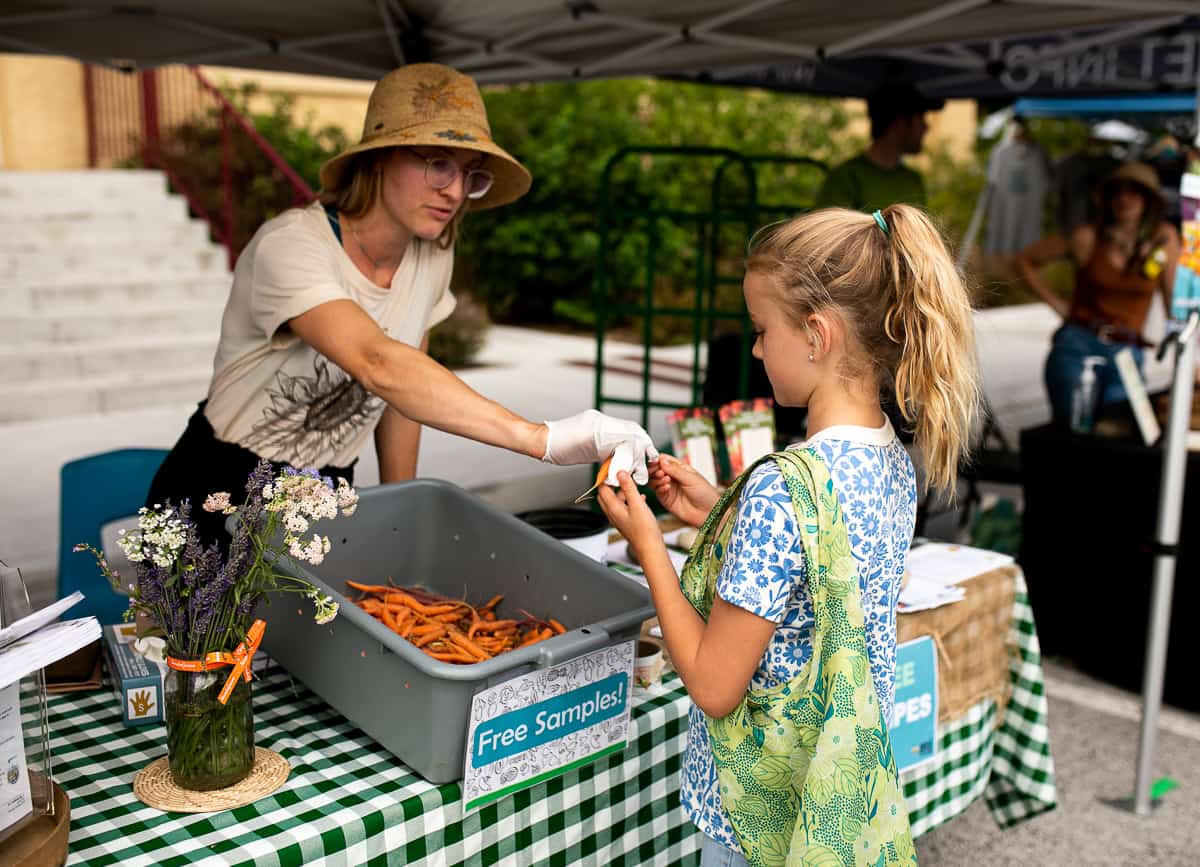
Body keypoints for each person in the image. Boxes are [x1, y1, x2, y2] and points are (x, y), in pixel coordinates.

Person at [599, 205, 980, 866]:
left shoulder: (784, 486)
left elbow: (715, 684)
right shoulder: (890, 457)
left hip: (757, 810)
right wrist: (721, 508)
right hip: (834, 794)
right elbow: (828, 563)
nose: (753, 349)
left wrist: (650, 544)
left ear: (816, 334)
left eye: (760, 329)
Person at [146, 63, 656, 545]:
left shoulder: (433, 253)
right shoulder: (291, 245)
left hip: (324, 492)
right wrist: (538, 438)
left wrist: (400, 510)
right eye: (438, 165)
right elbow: (378, 364)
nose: (455, 191)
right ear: (379, 157)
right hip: (220, 485)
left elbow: (405, 387)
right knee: (206, 640)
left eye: (470, 173)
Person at [1015, 161, 1181, 425]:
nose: (1124, 199)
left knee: (1123, 429)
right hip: (1078, 343)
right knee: (1074, 432)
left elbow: (1175, 299)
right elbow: (1024, 261)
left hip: (1128, 351)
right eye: (1117, 192)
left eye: (1133, 192)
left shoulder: (1164, 239)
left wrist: (1188, 354)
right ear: (1106, 198)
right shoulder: (1088, 236)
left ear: (1149, 200)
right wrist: (1059, 305)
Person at [814, 82, 945, 213]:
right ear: (899, 124)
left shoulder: (913, 181)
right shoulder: (846, 178)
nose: (926, 127)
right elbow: (827, 231)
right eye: (920, 118)